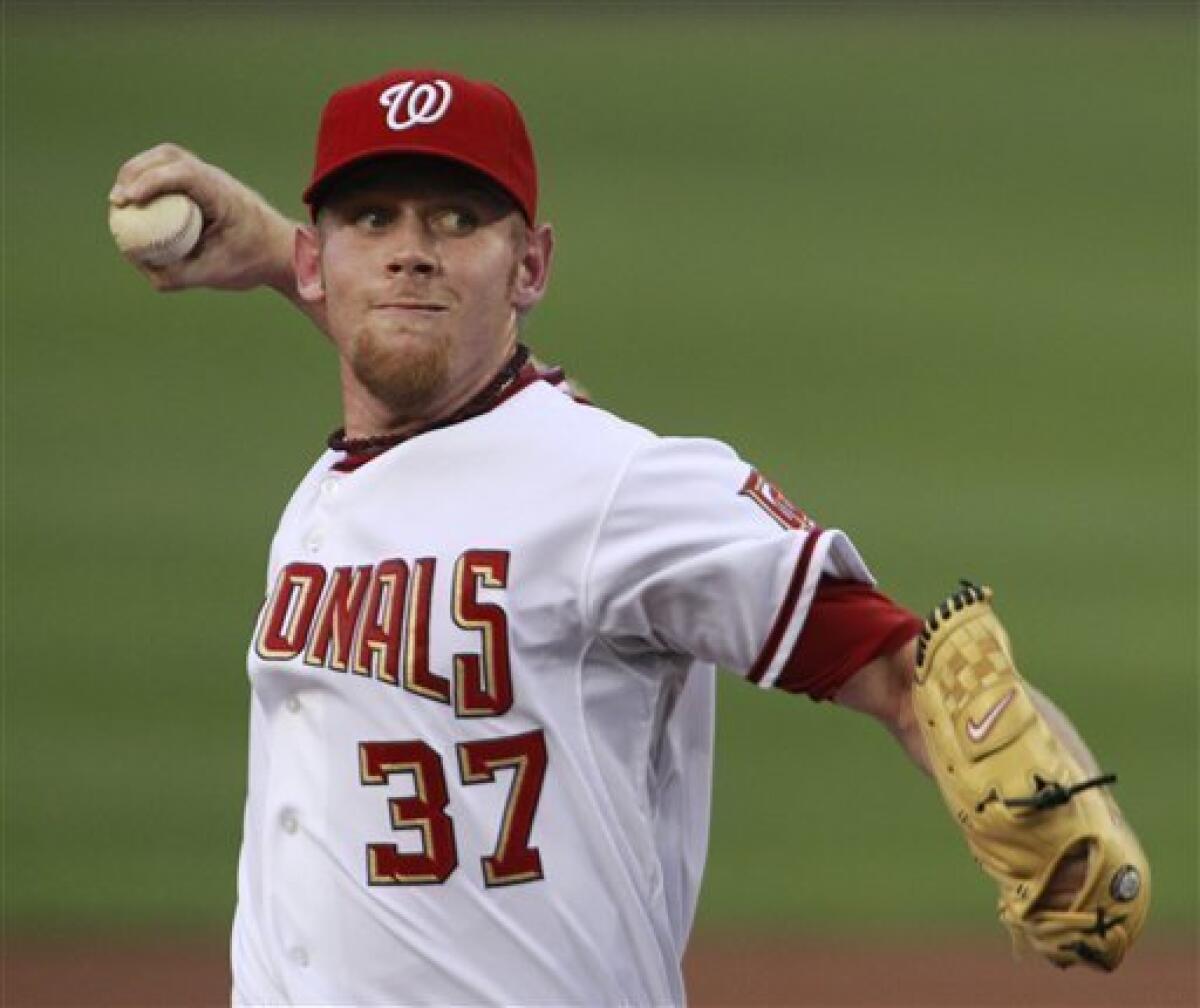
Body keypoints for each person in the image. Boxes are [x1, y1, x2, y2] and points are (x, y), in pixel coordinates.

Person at [109, 69, 1145, 1006]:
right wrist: (266, 253)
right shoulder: (345, 479)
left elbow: (903, 666)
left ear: (531, 265)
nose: (412, 248)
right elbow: (417, 379)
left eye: (459, 219)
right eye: (370, 218)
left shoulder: (619, 488)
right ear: (314, 258)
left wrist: (1059, 815)